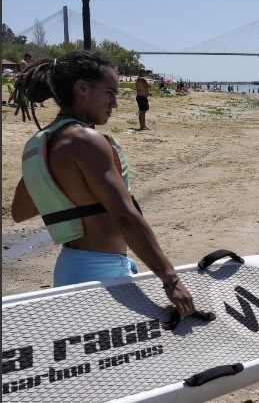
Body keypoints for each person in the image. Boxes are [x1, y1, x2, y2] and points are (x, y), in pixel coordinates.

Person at [10, 51, 195, 319]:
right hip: (100, 273)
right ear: (82, 88)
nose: (115, 103)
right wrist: (171, 280)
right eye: (109, 93)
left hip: (71, 266)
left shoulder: (43, 144)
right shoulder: (85, 140)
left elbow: (20, 211)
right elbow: (124, 215)